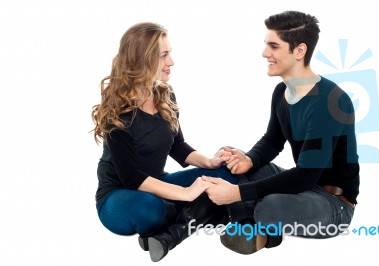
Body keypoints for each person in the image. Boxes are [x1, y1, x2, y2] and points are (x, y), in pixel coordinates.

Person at [203, 10, 360, 254]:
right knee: (228, 160)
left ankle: (252, 221)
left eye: (274, 46)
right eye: (266, 45)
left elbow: (306, 175)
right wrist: (250, 159)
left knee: (270, 206)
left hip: (333, 204)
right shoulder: (281, 92)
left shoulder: (329, 101)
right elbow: (272, 141)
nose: (265, 53)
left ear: (299, 51)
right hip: (302, 187)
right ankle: (248, 228)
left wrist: (237, 193)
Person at [91, 22, 238, 262]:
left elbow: (178, 147)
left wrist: (210, 162)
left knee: (225, 174)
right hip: (120, 198)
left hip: (158, 184)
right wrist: (187, 193)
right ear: (142, 60)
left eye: (170, 53)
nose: (171, 62)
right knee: (148, 209)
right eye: (164, 55)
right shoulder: (116, 113)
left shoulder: (165, 95)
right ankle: (201, 214)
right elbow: (132, 178)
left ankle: (172, 232)